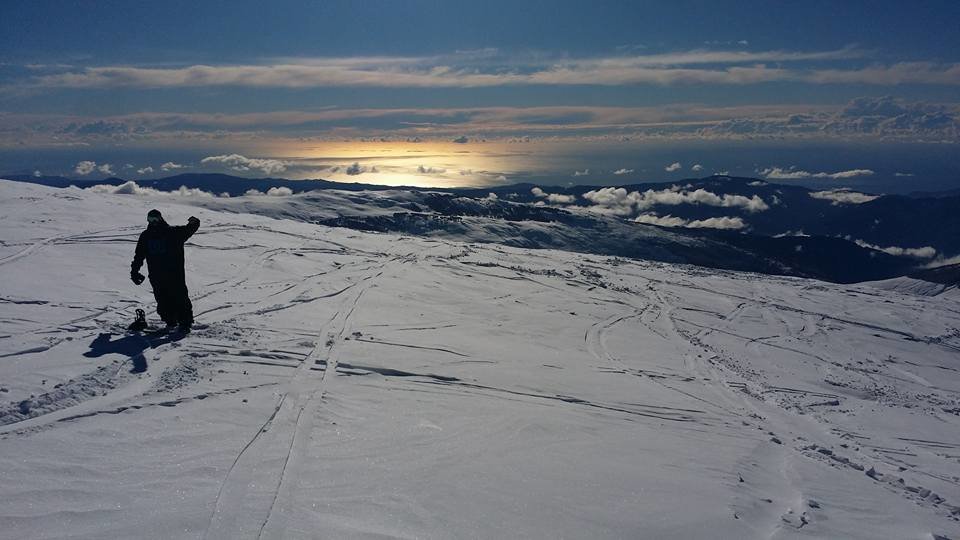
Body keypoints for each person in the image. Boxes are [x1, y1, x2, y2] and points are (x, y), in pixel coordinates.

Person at [130, 209, 200, 331]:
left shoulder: (173, 232)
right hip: (156, 275)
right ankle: (170, 321)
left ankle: (185, 323)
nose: (153, 222)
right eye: (150, 220)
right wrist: (134, 271)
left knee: (179, 297)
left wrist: (194, 221)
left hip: (174, 273)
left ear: (161, 218)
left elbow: (190, 229)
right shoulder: (146, 236)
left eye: (155, 219)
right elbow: (139, 255)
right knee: (162, 299)